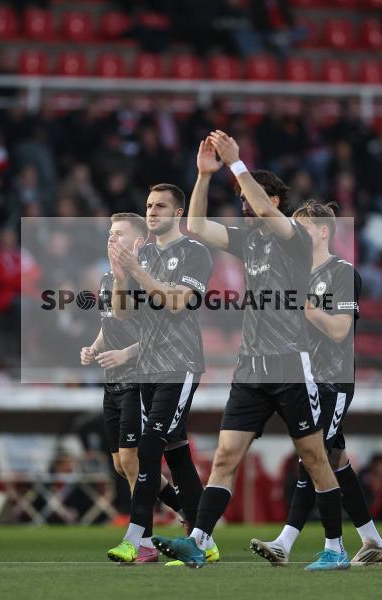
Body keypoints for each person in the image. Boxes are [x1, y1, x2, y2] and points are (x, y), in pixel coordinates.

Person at [153, 132, 348, 571]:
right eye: (238, 197)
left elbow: (261, 208)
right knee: (225, 456)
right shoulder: (251, 241)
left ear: (275, 199)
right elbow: (196, 227)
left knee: (315, 457)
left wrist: (238, 164)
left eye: (248, 196)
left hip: (290, 365)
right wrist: (205, 176)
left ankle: (335, 548)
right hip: (250, 368)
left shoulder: (293, 237)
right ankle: (199, 541)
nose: (243, 203)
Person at [250, 201, 382, 566]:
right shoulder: (292, 272)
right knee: (334, 460)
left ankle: (289, 542)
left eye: (305, 228)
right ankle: (372, 538)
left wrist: (303, 306)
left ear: (324, 231)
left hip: (333, 381)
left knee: (311, 458)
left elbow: (341, 330)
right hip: (304, 380)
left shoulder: (342, 272)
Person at [105, 185, 213, 565]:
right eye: (149, 205)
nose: (152, 212)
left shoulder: (195, 253)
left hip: (180, 363)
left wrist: (135, 270)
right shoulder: (143, 254)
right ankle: (205, 539)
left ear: (178, 213)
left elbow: (178, 301)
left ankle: (137, 539)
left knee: (149, 447)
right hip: (148, 366)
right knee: (177, 453)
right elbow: (122, 314)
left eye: (161, 206)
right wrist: (121, 277)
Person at [81, 213, 185, 563]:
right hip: (111, 382)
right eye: (110, 232)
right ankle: (185, 509)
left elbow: (159, 336)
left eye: (119, 233)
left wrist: (125, 354)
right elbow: (107, 324)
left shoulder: (147, 280)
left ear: (138, 241)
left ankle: (142, 540)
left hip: (139, 380)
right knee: (121, 466)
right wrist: (94, 347)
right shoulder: (108, 278)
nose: (112, 238)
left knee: (132, 459)